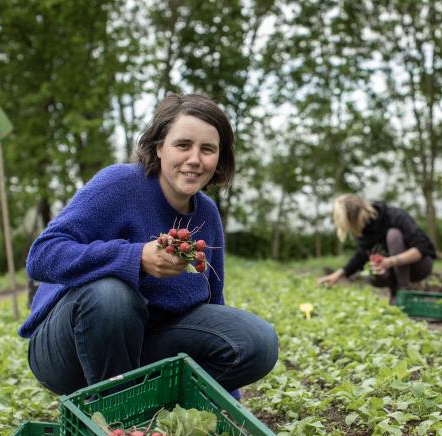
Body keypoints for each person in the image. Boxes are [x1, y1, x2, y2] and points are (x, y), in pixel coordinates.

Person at [19, 93, 278, 397]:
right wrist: (136, 257)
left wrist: (228, 399)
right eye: (183, 145)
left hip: (144, 347)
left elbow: (211, 305)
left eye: (207, 149)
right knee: (112, 295)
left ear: (219, 157)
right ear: (159, 148)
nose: (195, 159)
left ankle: (154, 402)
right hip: (68, 349)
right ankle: (115, 418)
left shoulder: (206, 215)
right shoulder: (121, 185)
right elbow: (42, 256)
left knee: (257, 340)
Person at [317, 195, 436, 304]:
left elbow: (422, 248)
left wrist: (390, 262)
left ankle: (404, 293)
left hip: (420, 266)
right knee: (373, 271)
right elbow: (361, 255)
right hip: (391, 271)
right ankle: (395, 293)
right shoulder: (364, 231)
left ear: (359, 214)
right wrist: (338, 275)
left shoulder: (394, 216)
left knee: (393, 235)